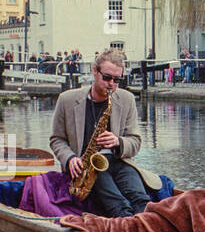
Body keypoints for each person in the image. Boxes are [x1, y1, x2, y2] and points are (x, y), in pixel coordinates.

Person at [48, 50, 147, 218]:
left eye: (117, 80)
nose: (111, 84)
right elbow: (56, 139)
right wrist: (70, 158)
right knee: (119, 206)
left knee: (141, 200)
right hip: (86, 166)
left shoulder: (127, 99)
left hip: (118, 161)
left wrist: (118, 142)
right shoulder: (66, 100)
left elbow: (135, 141)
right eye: (107, 78)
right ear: (95, 71)